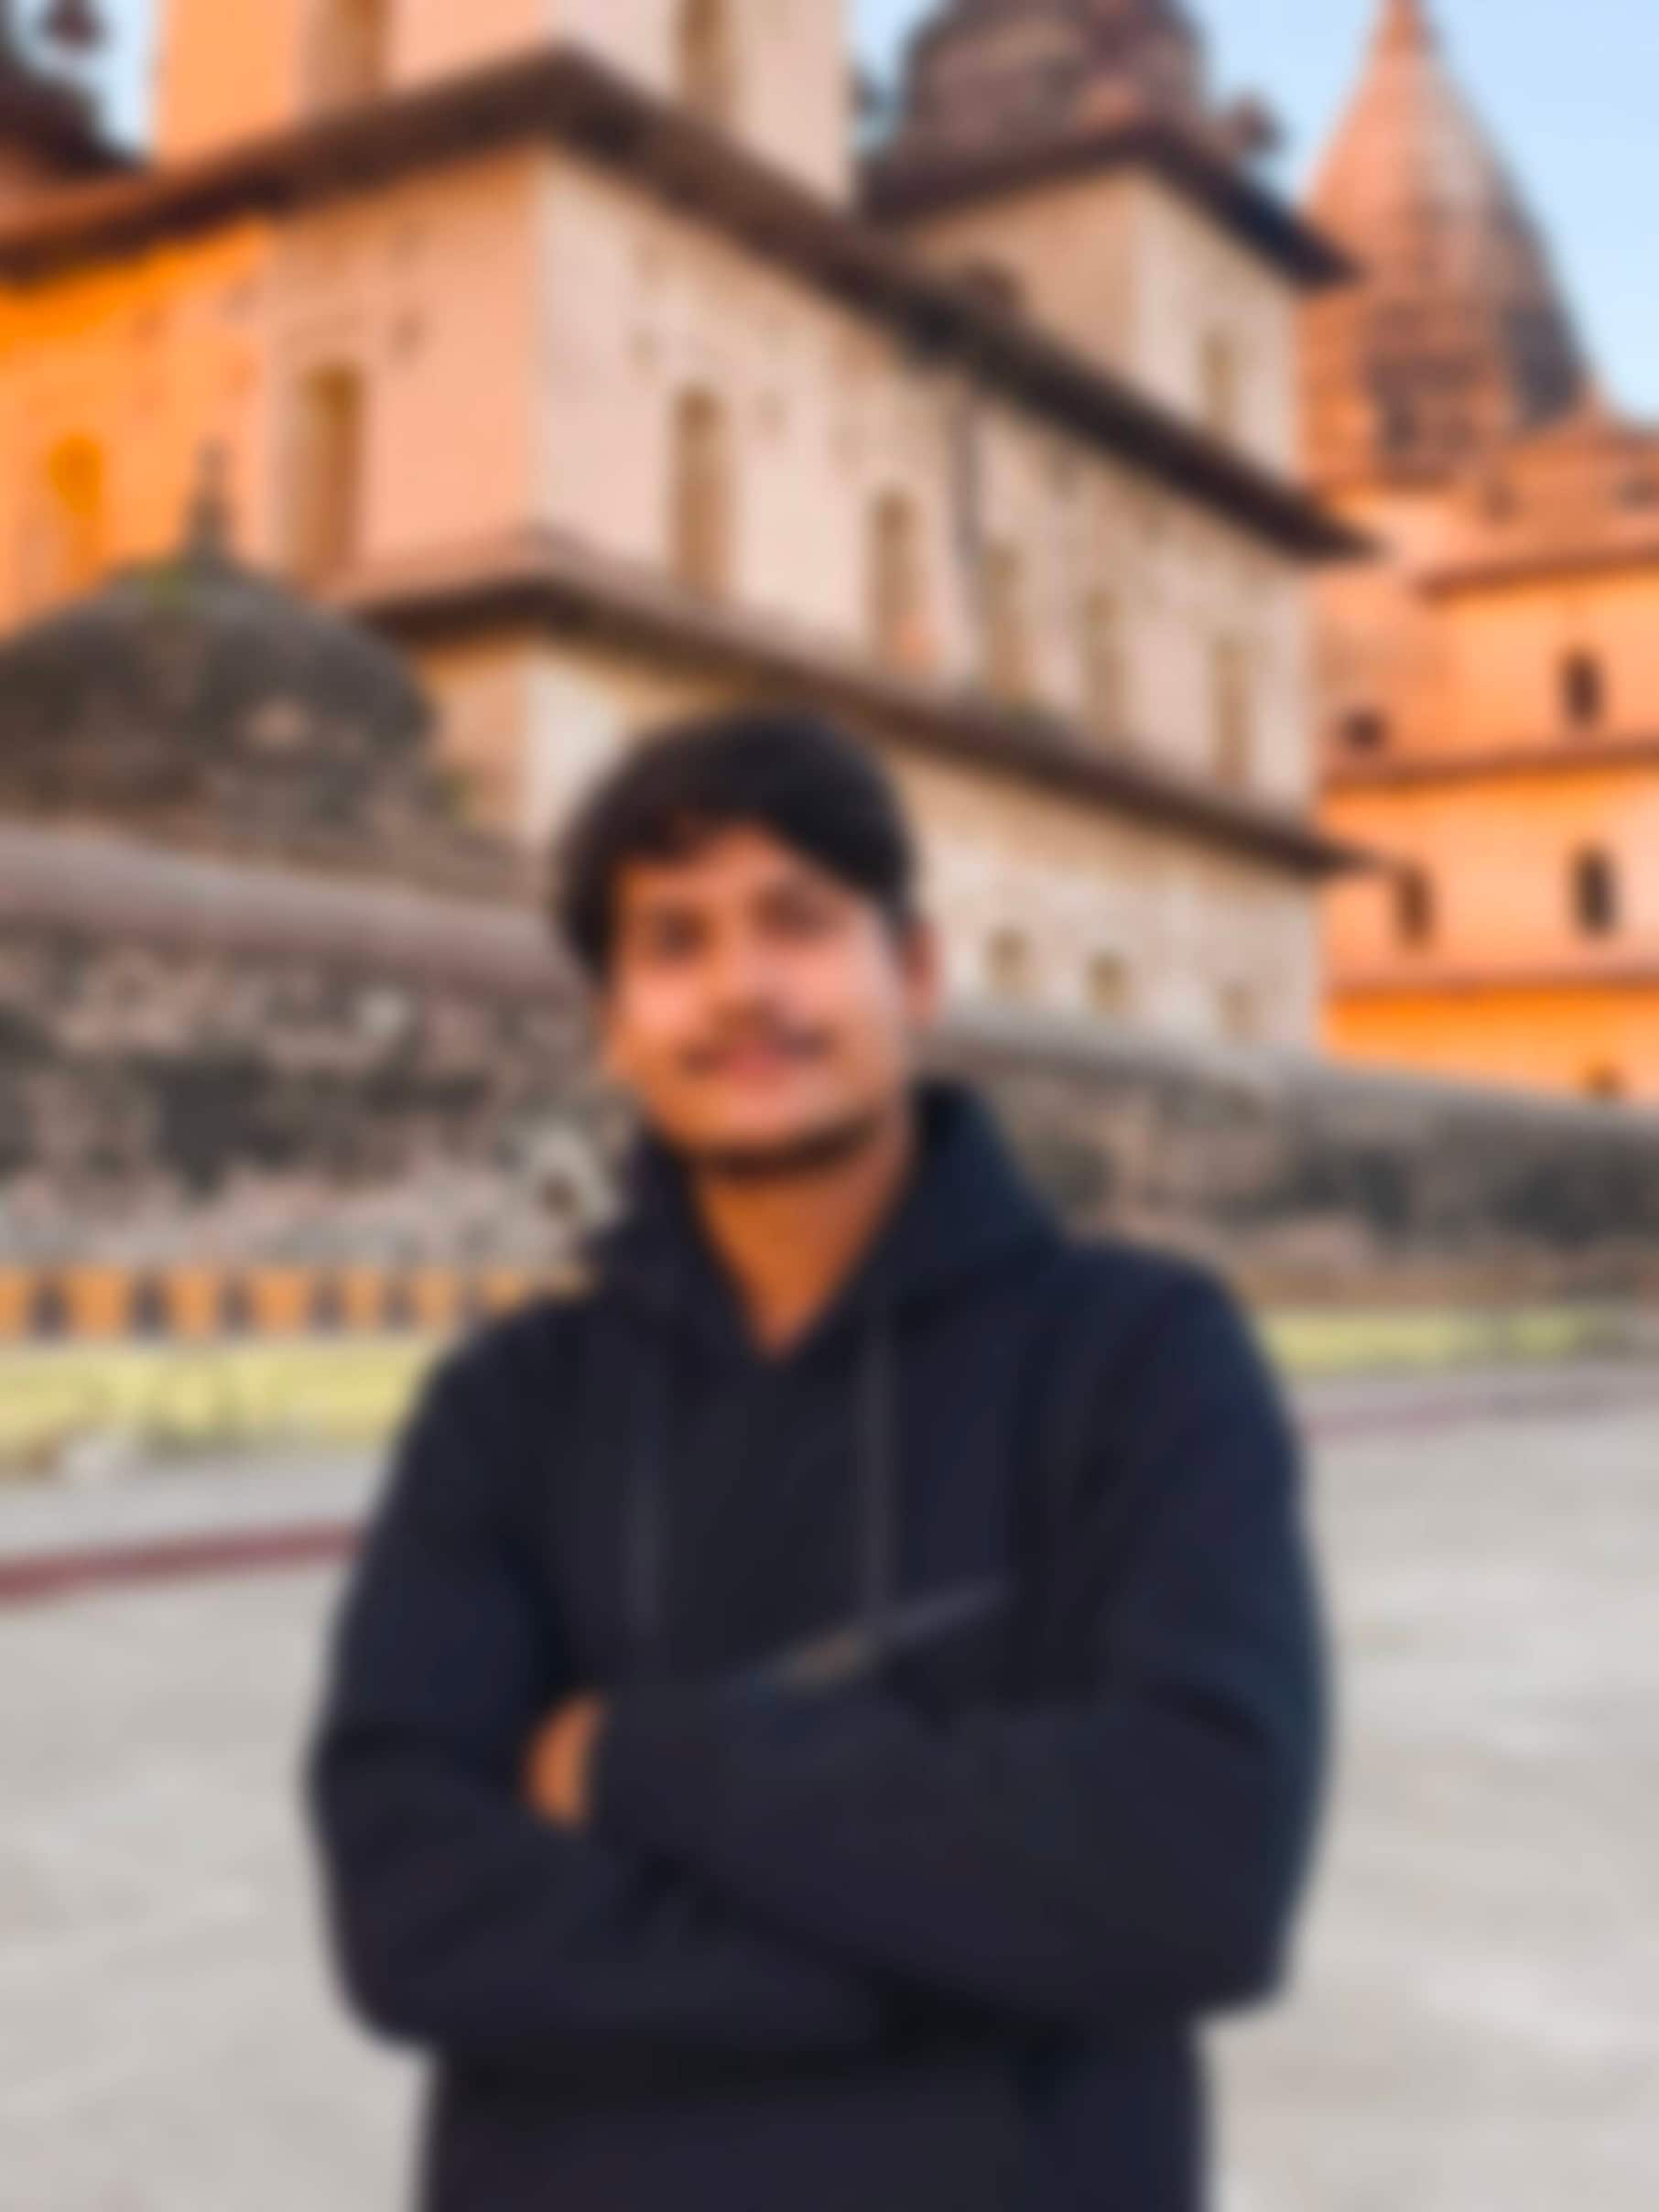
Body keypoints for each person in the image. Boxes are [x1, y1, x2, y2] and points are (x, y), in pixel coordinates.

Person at [301, 706, 1330, 2212]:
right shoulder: (507, 1409)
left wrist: (632, 1759)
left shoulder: (1138, 1360)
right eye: (675, 941)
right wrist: (971, 1954)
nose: (743, 987)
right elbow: (410, 1918)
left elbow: (1198, 1873)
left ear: (913, 973)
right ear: (613, 1023)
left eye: (798, 920)